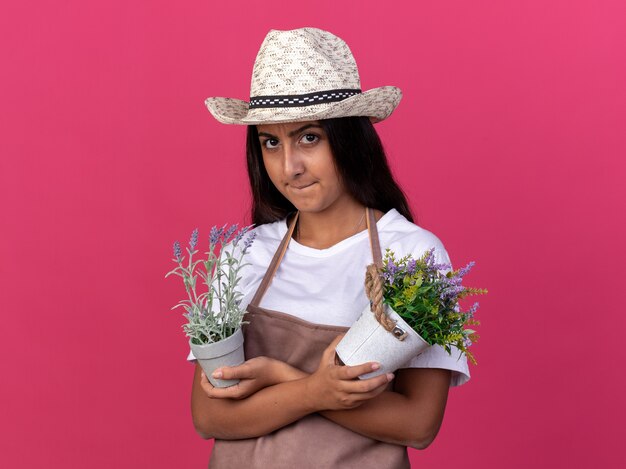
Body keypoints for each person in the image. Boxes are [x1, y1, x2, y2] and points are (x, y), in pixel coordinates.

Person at [188, 27, 470, 468]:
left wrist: (286, 381)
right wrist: (313, 390)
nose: (289, 167)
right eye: (270, 142)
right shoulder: (243, 254)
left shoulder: (413, 257)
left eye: (309, 137)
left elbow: (418, 424)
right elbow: (208, 416)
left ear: (350, 139)